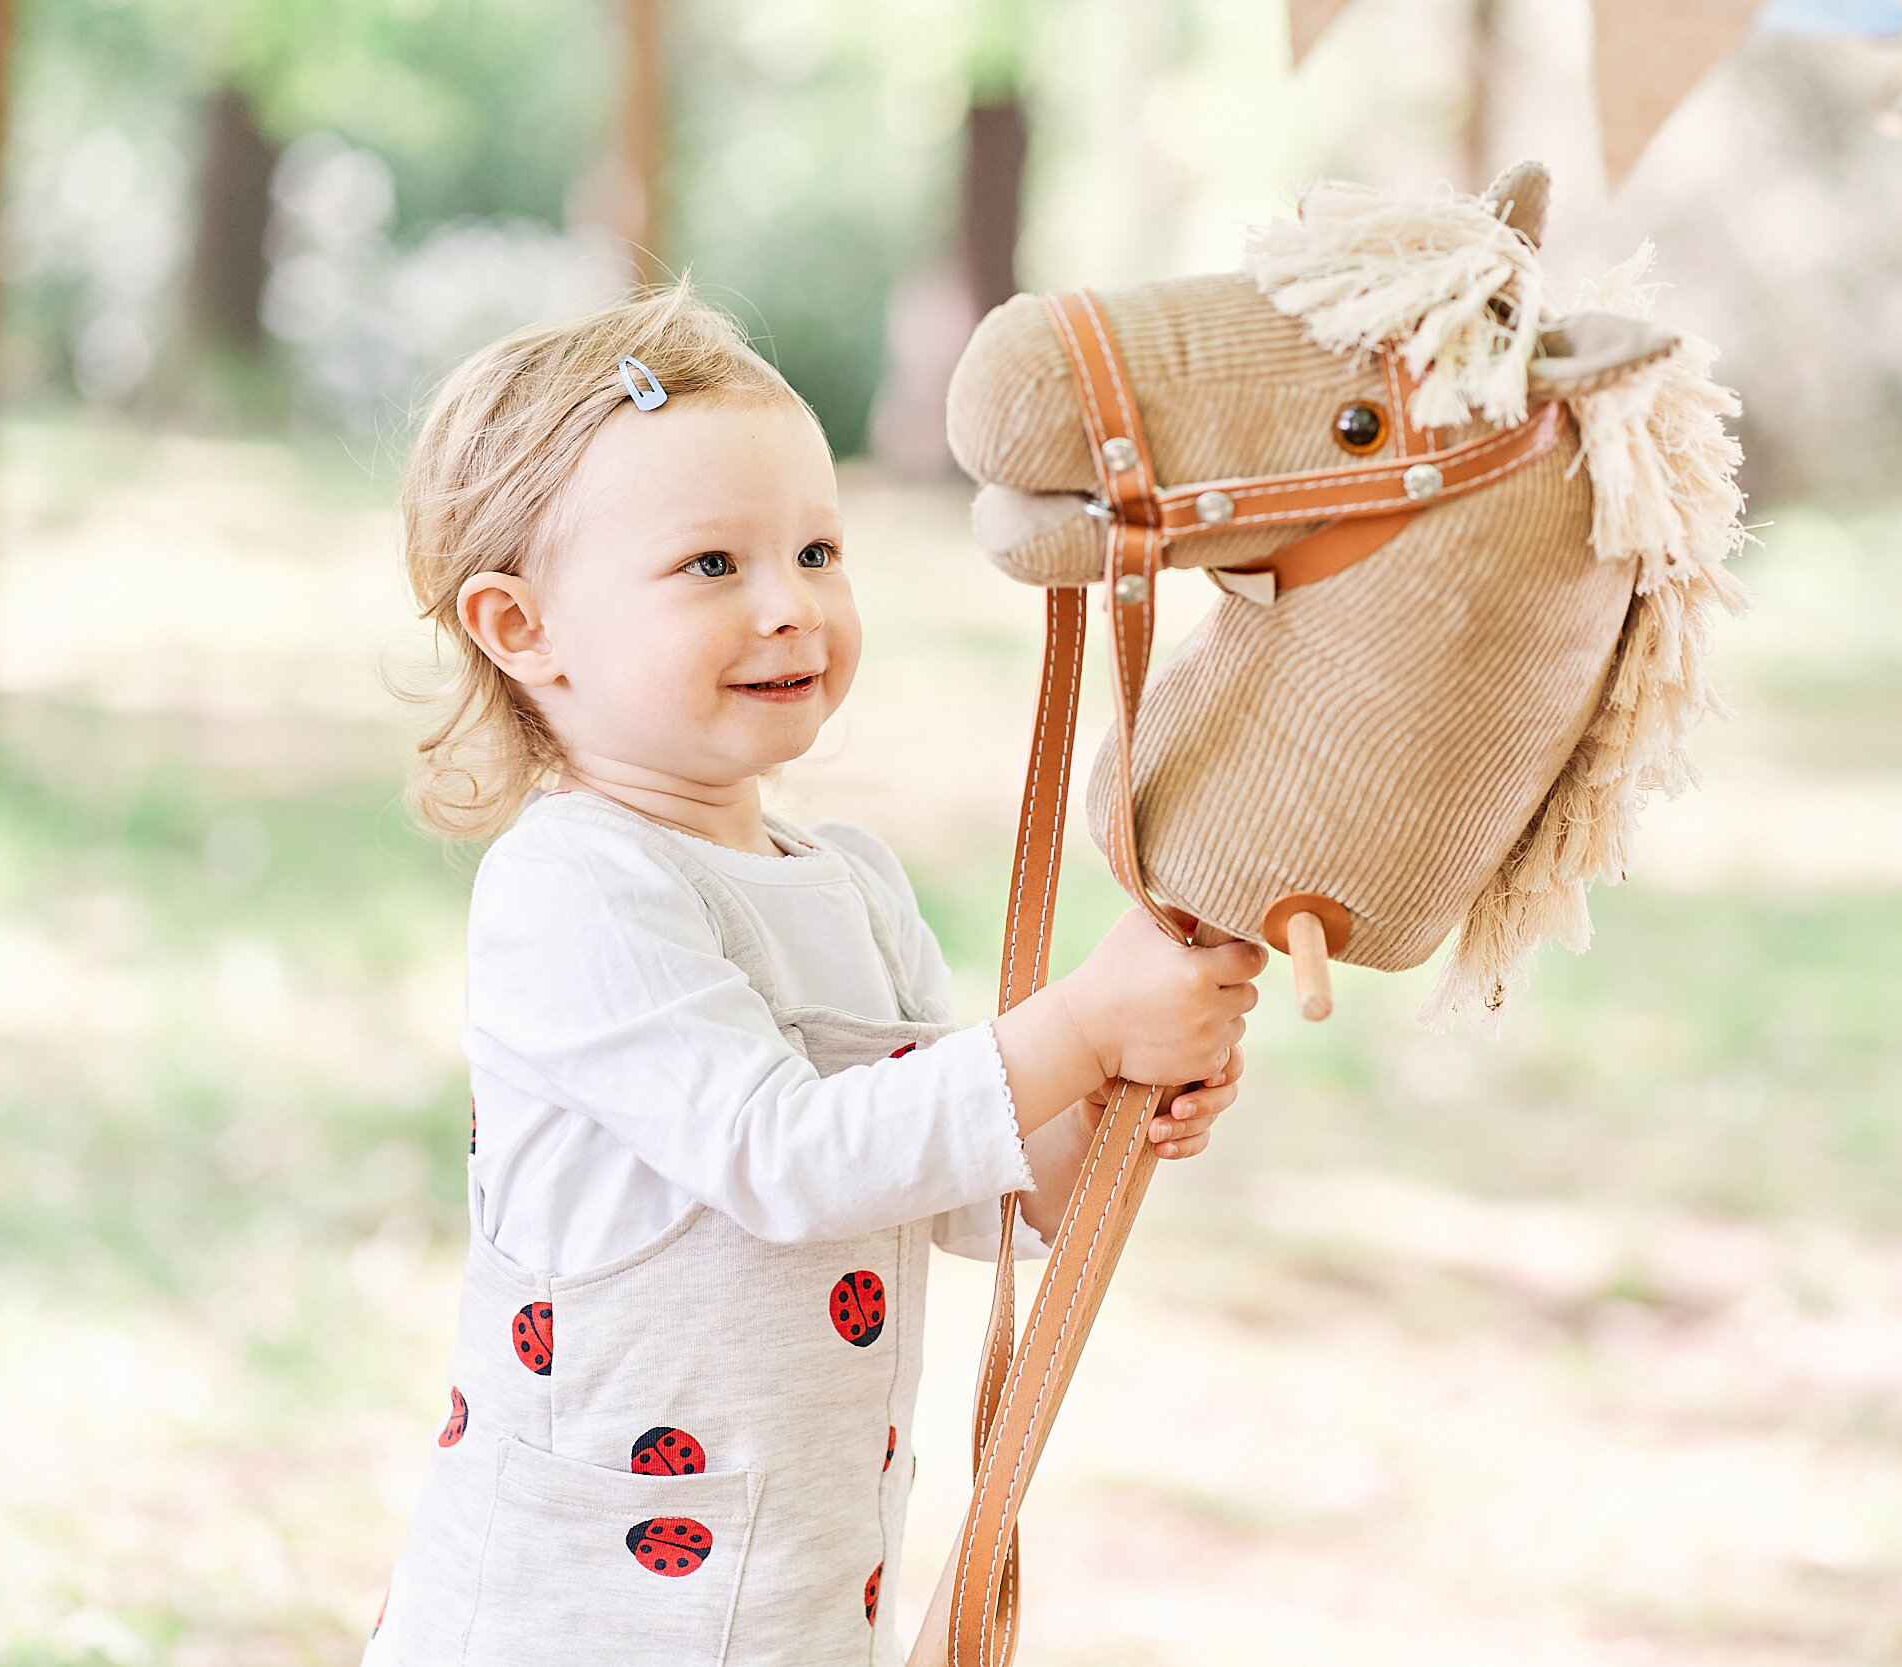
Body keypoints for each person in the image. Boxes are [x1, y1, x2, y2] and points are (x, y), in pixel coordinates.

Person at [363, 283, 1264, 1665]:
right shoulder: (572, 889)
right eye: (712, 567)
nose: (791, 608)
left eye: (818, 550)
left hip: (798, 1603)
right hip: (578, 1619)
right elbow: (785, 1157)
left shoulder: (849, 879)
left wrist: (1108, 1107)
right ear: (520, 627)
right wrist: (1079, 1025)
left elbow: (957, 1188)